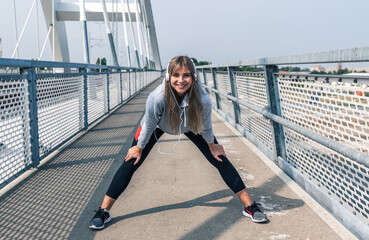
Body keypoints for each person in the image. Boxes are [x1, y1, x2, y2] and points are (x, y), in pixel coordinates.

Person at [89, 56, 267, 230]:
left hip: (191, 125)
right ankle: (103, 211)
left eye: (186, 75)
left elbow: (206, 126)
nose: (181, 80)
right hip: (158, 125)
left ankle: (250, 206)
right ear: (168, 76)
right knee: (130, 162)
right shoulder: (157, 97)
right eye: (176, 75)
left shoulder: (203, 99)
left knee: (219, 158)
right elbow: (149, 124)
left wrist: (213, 145)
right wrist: (139, 147)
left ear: (194, 77)